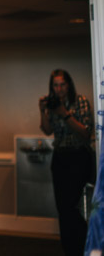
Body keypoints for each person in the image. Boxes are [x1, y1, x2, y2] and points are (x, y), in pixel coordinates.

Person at [39, 69, 94, 256]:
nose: (59, 88)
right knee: (63, 208)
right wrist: (44, 111)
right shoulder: (52, 104)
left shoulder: (80, 102)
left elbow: (86, 133)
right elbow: (47, 131)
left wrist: (64, 114)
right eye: (55, 85)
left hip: (79, 158)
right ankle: (69, 249)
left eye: (62, 84)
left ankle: (83, 248)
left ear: (68, 85)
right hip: (60, 158)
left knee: (77, 207)